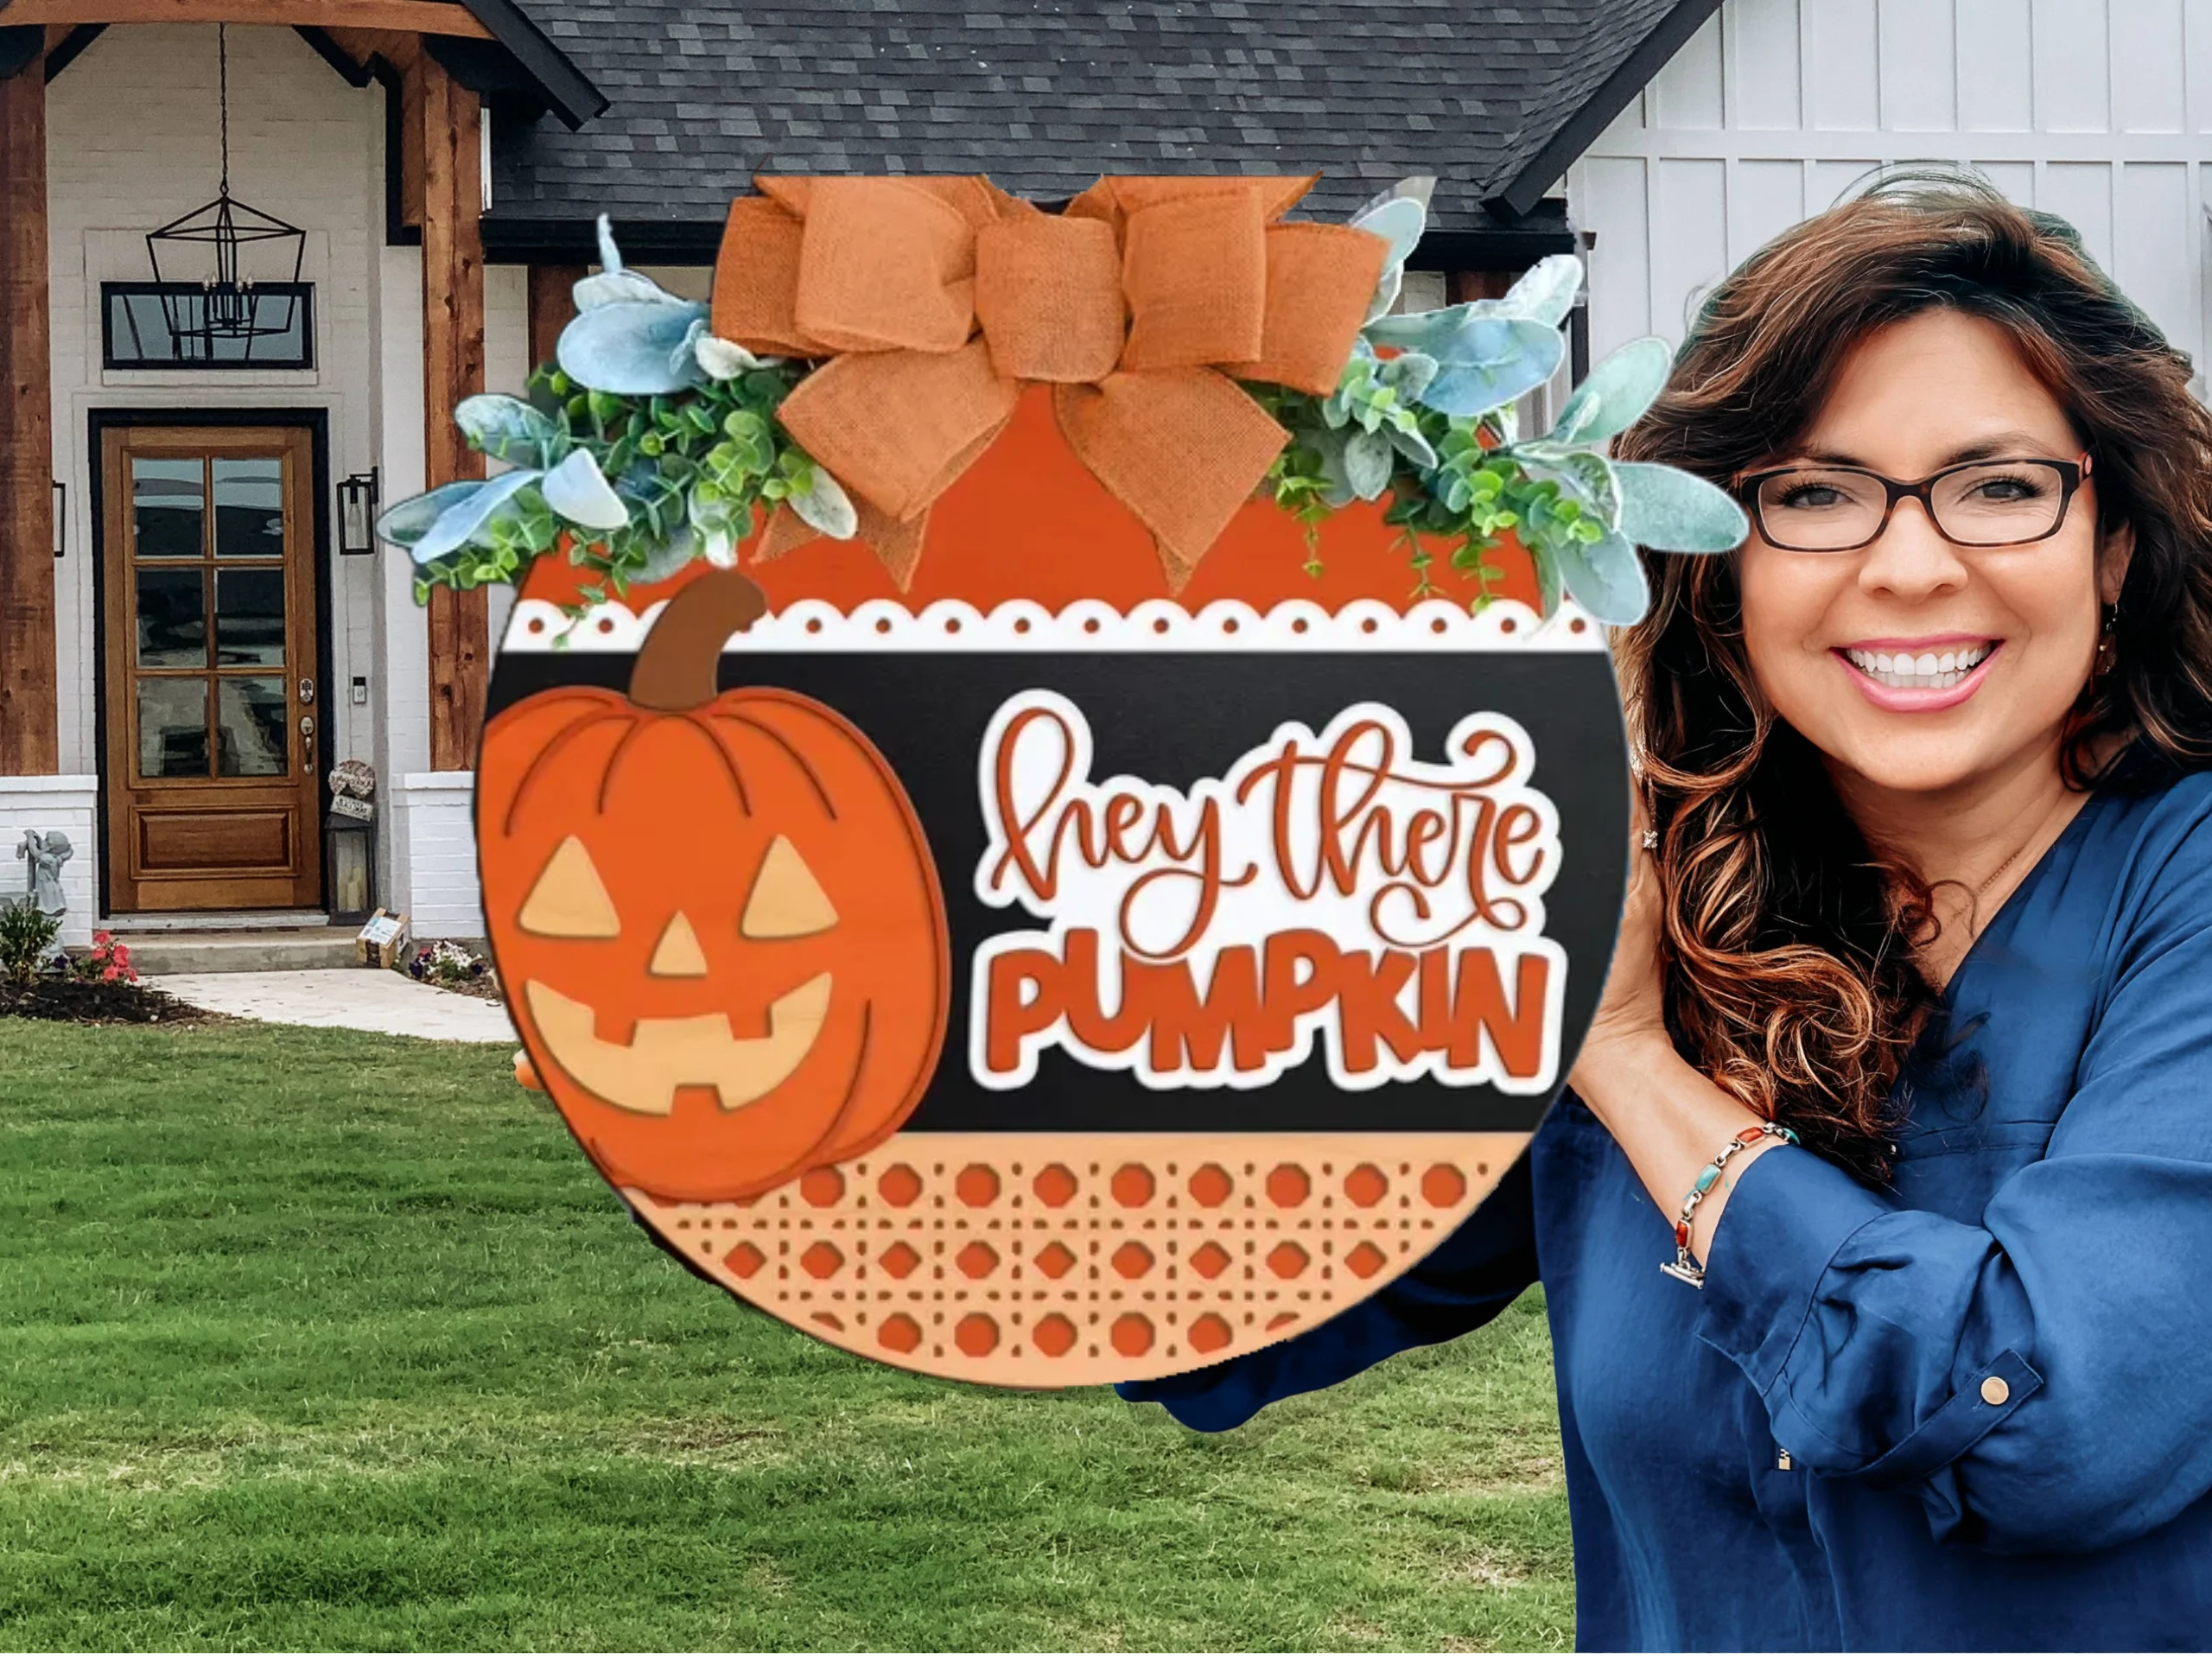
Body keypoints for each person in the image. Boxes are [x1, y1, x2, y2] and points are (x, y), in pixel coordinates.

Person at [1118, 175, 2212, 1650]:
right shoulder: (1649, 895)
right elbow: (1215, 1304)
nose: (1908, 564)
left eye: (2000, 485)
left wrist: (1633, 1063)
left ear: (2117, 542)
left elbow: (2054, 1421)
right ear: (1722, 559)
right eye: (1814, 494)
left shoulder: (2180, 895)